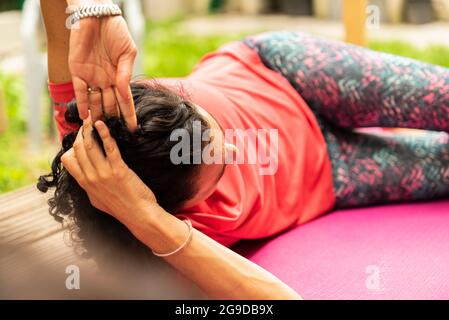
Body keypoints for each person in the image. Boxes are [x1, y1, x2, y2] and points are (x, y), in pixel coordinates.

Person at [37, 1, 449, 299]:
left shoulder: (89, 117)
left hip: (282, 72)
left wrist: (92, 8)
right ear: (177, 212)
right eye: (220, 170)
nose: (241, 148)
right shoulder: (156, 247)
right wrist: (141, 215)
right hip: (332, 172)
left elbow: (56, 17)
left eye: (213, 127)